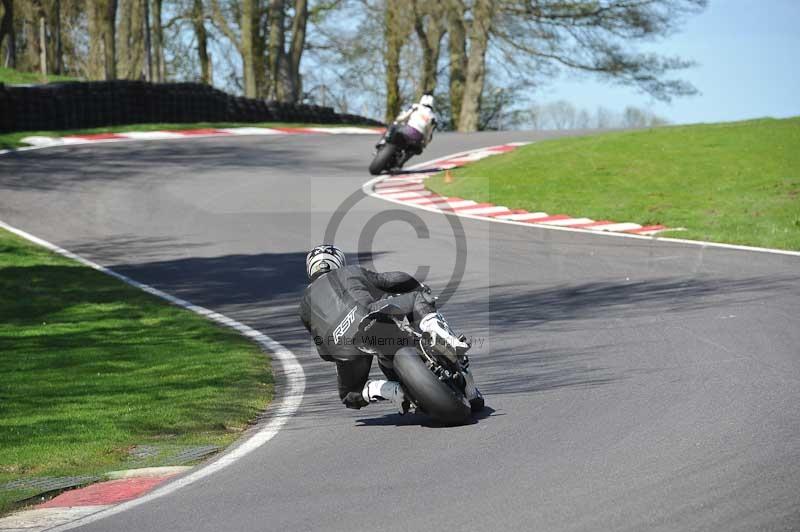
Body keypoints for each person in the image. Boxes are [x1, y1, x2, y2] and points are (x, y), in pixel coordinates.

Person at [298, 244, 483, 414]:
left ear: (309, 270)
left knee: (349, 395)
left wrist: (341, 356)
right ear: (339, 261)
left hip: (341, 345)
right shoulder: (349, 271)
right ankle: (443, 336)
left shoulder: (304, 305)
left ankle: (390, 391)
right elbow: (391, 279)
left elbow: (323, 350)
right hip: (368, 314)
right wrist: (417, 286)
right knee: (418, 298)